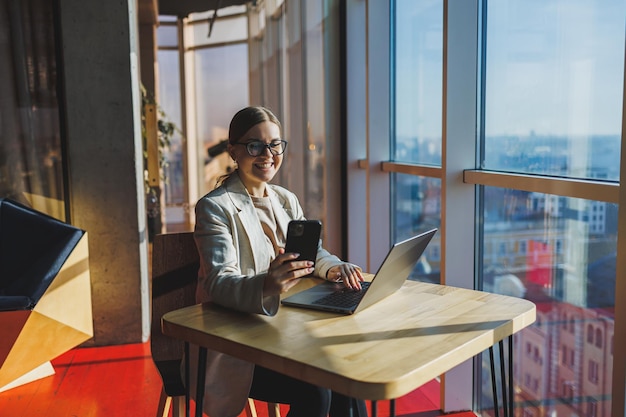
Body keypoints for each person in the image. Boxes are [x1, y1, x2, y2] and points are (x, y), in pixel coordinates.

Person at [192, 106, 368, 417]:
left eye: (275, 144)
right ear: (233, 151)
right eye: (254, 145)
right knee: (317, 388)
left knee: (345, 376)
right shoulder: (214, 208)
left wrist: (334, 267)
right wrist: (267, 284)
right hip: (241, 345)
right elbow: (218, 283)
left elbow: (311, 254)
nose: (268, 153)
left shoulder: (285, 199)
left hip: (287, 332)